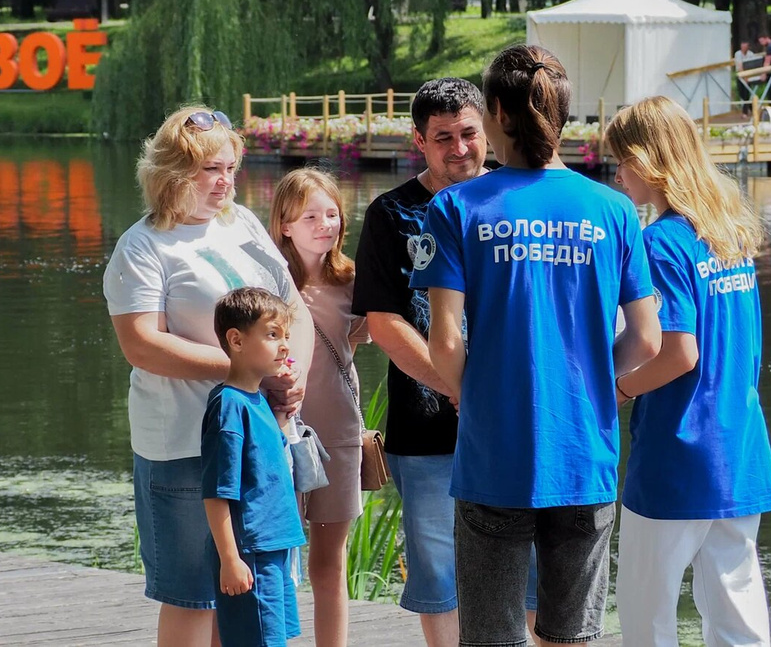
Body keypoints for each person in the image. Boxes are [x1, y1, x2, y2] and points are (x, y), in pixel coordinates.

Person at [410, 45, 661, 647]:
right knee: (571, 638)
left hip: (493, 458)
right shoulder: (614, 209)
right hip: (585, 456)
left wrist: (474, 394)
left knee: (492, 637)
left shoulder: (454, 207)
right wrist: (600, 388)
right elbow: (648, 339)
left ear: (495, 110)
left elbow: (444, 341)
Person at [103, 106, 313, 647]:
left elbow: (294, 309)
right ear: (173, 173)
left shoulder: (240, 223)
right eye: (211, 170)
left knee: (248, 588)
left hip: (260, 436)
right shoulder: (143, 246)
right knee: (193, 596)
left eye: (231, 168)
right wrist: (246, 369)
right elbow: (141, 344)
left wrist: (294, 376)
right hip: (182, 443)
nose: (226, 181)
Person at [352, 77, 540, 647]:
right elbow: (384, 323)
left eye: (468, 134)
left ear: (488, 131)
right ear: (418, 140)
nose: (459, 148)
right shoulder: (392, 214)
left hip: (516, 422)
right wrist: (456, 384)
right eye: (442, 138)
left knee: (529, 568)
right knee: (437, 568)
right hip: (426, 426)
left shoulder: (519, 202)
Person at [605, 95, 771, 647]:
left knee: (646, 611)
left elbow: (680, 352)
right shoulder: (730, 234)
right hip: (738, 447)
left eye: (622, 160)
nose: (617, 174)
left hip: (677, 451)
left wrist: (618, 390)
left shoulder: (659, 242)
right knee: (737, 607)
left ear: (649, 160)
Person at [269, 168, 369, 647]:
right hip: (276, 433)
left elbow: (373, 331)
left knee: (330, 557)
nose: (325, 224)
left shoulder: (354, 281)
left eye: (332, 214)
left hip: (338, 432)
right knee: (275, 555)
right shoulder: (266, 281)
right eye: (310, 216)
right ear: (284, 224)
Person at [202, 287, 306, 647]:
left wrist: (280, 417)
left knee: (272, 639)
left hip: (276, 545)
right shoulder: (229, 405)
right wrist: (230, 558)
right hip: (251, 551)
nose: (285, 346)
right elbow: (217, 490)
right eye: (272, 334)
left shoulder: (258, 400)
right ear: (236, 340)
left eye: (286, 336)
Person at [733, 41, 760, 118]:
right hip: (740, 76)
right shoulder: (738, 54)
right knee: (741, 93)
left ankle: (745, 112)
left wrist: (748, 76)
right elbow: (739, 65)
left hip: (748, 75)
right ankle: (752, 108)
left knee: (746, 93)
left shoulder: (750, 54)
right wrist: (744, 76)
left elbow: (752, 64)